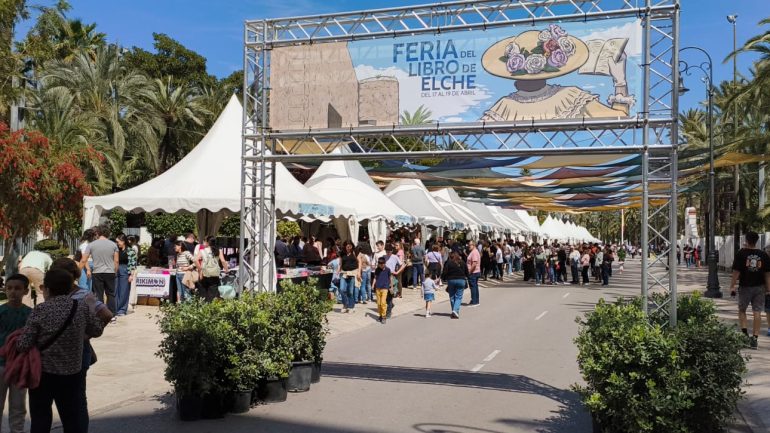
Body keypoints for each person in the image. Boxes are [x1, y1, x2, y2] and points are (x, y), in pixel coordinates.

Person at [17, 269, 104, 433]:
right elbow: (97, 330)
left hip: (43, 374)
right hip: (72, 374)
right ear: (70, 288)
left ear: (47, 288)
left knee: (40, 419)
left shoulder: (41, 310)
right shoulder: (81, 308)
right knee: (71, 418)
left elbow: (24, 344)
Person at [49, 258, 112, 433]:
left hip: (78, 351)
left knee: (77, 396)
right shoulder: (55, 294)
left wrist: (86, 335)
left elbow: (106, 314)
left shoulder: (84, 295)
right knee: (63, 397)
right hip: (56, 353)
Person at [0, 274, 32, 433]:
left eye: (18, 288)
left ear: (26, 291)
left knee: (18, 405)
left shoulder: (30, 314)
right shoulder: (1, 311)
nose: (13, 292)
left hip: (20, 366)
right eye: (9, 288)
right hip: (1, 364)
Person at [729, 231, 770, 349]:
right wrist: (768, 288)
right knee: (757, 312)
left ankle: (745, 335)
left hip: (745, 287)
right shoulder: (763, 255)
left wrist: (732, 285)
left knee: (742, 310)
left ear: (746, 240)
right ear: (757, 240)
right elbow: (767, 274)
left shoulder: (741, 253)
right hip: (760, 287)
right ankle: (755, 338)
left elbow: (736, 271)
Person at [80, 225, 118, 314]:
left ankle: (101, 314)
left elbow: (83, 260)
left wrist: (77, 272)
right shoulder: (113, 245)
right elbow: (116, 260)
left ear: (97, 233)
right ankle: (112, 314)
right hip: (110, 272)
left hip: (97, 272)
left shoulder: (91, 245)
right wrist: (115, 271)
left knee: (99, 295)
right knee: (111, 294)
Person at [196, 236, 229, 302]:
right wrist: (226, 269)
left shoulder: (202, 251)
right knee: (214, 294)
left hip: (204, 274)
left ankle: (204, 309)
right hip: (214, 275)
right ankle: (212, 309)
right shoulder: (218, 250)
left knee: (203, 294)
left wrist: (200, 269)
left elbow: (195, 260)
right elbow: (223, 261)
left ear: (207, 242)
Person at [114, 234, 137, 318]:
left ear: (123, 241)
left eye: (118, 242)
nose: (117, 243)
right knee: (115, 290)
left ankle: (122, 309)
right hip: (116, 270)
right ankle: (115, 308)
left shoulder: (130, 251)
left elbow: (133, 264)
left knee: (124, 290)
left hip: (125, 270)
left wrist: (131, 275)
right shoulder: (116, 250)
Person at [442, 252, 469, 319]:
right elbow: (467, 272)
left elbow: (444, 272)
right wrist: (467, 278)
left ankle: (454, 311)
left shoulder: (448, 263)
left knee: (452, 296)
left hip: (451, 280)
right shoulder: (462, 262)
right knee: (459, 297)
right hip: (461, 280)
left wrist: (443, 278)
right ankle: (455, 311)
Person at [384, 244, 404, 318]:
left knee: (390, 295)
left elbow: (402, 264)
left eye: (389, 251)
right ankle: (391, 305)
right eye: (386, 251)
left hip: (392, 277)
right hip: (384, 277)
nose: (387, 253)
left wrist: (397, 272)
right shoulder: (384, 257)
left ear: (392, 251)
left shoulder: (395, 257)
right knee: (384, 295)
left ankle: (388, 312)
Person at [338, 242, 358, 314]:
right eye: (347, 246)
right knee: (342, 289)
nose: (348, 248)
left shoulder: (355, 253)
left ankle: (351, 306)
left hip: (351, 274)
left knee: (350, 291)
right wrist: (338, 270)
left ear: (352, 247)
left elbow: (358, 263)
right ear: (345, 246)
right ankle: (345, 305)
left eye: (350, 246)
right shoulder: (342, 254)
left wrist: (358, 273)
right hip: (343, 273)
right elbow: (340, 263)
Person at [372, 258, 391, 324]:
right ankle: (380, 315)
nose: (380, 265)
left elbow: (390, 278)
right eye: (379, 264)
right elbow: (375, 278)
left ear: (384, 263)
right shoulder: (377, 270)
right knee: (378, 303)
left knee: (383, 302)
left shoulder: (388, 270)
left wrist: (391, 286)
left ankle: (383, 316)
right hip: (378, 288)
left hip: (385, 288)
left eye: (381, 264)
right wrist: (372, 285)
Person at [466, 241, 481, 307]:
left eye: (470, 245)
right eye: (468, 245)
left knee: (473, 287)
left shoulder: (474, 252)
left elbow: (474, 263)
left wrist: (469, 272)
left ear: (474, 245)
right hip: (475, 272)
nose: (468, 246)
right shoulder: (474, 251)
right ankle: (475, 300)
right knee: (475, 286)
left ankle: (475, 301)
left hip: (473, 272)